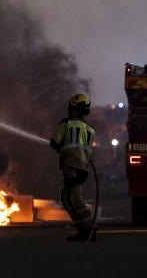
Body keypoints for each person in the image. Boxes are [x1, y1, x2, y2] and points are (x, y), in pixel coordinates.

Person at [50, 93, 97, 242]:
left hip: (71, 166)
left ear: (74, 109)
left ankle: (89, 229)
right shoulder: (90, 130)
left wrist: (60, 147)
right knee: (66, 198)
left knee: (75, 198)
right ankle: (82, 229)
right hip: (84, 169)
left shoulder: (66, 124)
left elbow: (55, 143)